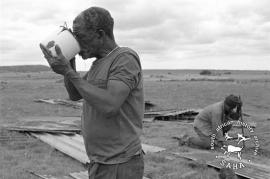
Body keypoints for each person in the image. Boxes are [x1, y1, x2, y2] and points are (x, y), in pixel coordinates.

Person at [40, 7, 144, 179]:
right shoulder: (98, 63)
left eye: (79, 36)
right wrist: (69, 59)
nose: (77, 43)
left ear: (100, 34)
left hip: (119, 163)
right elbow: (75, 94)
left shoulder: (124, 58)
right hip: (99, 161)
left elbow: (110, 105)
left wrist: (69, 72)